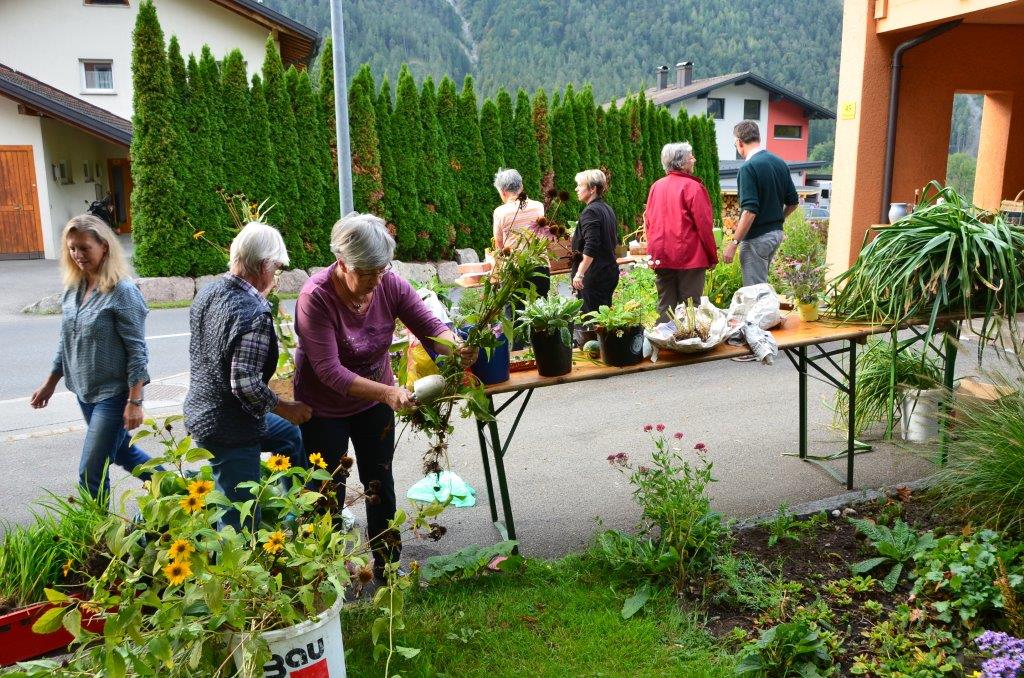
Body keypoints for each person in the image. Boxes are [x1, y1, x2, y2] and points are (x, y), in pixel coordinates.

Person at [294, 212, 477, 581]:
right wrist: (389, 393)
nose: (376, 280)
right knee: (326, 491)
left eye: (382, 269)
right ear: (342, 262)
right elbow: (329, 371)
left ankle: (388, 569)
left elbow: (430, 328)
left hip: (374, 403)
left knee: (380, 483)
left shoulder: (389, 284)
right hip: (324, 408)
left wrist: (456, 347)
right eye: (367, 272)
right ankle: (325, 578)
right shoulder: (316, 297)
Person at [184, 222, 312, 531]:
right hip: (228, 426)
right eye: (276, 268)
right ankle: (235, 555)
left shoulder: (209, 292)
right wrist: (286, 407)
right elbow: (245, 384)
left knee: (289, 436)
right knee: (238, 520)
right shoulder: (252, 313)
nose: (275, 276)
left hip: (205, 408)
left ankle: (295, 514)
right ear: (264, 265)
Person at [30, 214, 155, 499]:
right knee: (123, 453)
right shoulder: (74, 288)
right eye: (72, 248)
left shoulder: (122, 292)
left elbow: (137, 352)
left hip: (114, 395)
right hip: (85, 391)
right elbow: (66, 340)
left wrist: (135, 402)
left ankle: (96, 526)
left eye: (85, 247)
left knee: (91, 471)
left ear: (104, 246)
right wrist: (50, 383)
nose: (78, 254)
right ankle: (182, 490)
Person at [644, 142, 718, 322]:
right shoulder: (693, 187)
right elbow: (704, 225)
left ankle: (664, 338)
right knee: (691, 307)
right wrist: (711, 256)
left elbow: (649, 222)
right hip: (689, 257)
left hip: (661, 255)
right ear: (682, 163)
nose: (694, 160)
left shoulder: (656, 186)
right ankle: (690, 339)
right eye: (691, 157)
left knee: (665, 306)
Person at [724, 120, 799, 285]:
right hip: (775, 234)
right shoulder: (779, 162)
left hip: (756, 238)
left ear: (740, 142)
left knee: (754, 291)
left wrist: (734, 243)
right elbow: (793, 202)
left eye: (735, 144)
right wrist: (778, 219)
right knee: (761, 285)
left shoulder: (748, 167)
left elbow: (749, 211)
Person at [492, 168, 550, 298]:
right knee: (541, 306)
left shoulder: (500, 212)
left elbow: (499, 243)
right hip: (539, 265)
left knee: (514, 306)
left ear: (503, 192)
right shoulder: (538, 206)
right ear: (522, 186)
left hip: (514, 267)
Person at [570, 169, 619, 317]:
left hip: (594, 275)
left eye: (580, 185)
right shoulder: (607, 209)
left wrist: (579, 274)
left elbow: (591, 246)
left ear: (593, 189)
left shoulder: (590, 212)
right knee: (603, 320)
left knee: (592, 321)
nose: (576, 189)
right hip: (608, 271)